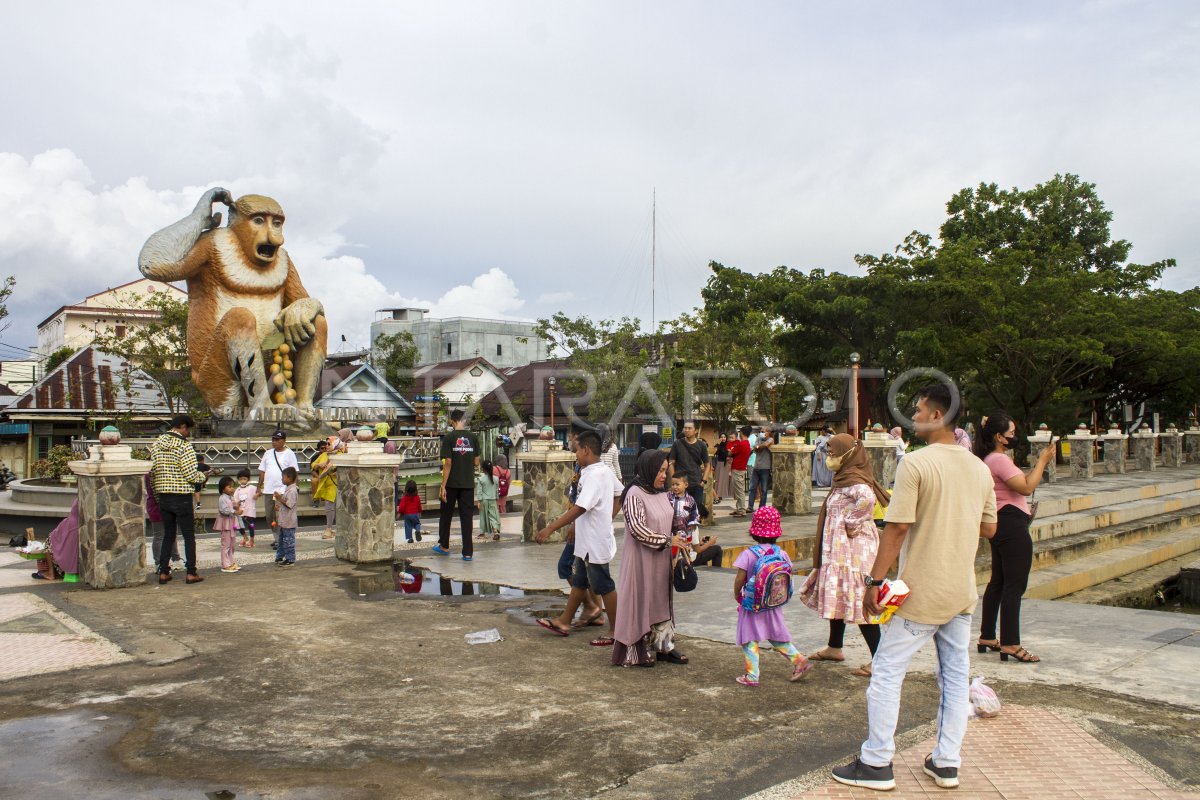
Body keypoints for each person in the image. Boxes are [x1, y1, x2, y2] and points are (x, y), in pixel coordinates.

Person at [832, 383, 997, 792]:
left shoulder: (917, 464)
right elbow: (990, 527)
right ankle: (946, 762)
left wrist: (874, 580)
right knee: (955, 678)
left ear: (938, 416)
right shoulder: (979, 468)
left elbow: (898, 527)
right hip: (960, 591)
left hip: (921, 592)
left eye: (920, 410)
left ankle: (876, 763)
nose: (914, 416)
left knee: (887, 671)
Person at [800, 434, 890, 677]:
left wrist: (850, 523)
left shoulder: (855, 480)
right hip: (841, 550)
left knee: (859, 598)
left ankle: (878, 659)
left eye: (833, 453)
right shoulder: (844, 478)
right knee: (839, 592)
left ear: (848, 455)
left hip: (854, 551)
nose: (829, 457)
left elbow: (868, 500)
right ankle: (834, 647)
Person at [973, 411, 1055, 664]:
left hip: (1000, 522)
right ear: (999, 436)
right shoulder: (998, 459)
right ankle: (1011, 643)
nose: (1014, 437)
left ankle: (988, 635)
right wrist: (1043, 460)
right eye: (1011, 433)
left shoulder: (987, 458)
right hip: (1011, 524)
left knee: (998, 581)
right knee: (1014, 585)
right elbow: (1027, 487)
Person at [534, 430, 621, 646]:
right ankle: (564, 621)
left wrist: (550, 528)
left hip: (594, 541)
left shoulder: (594, 474)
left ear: (586, 450)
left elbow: (579, 508)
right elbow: (620, 492)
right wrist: (608, 517)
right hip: (587, 541)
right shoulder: (603, 471)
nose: (575, 455)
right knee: (580, 581)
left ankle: (617, 629)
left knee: (604, 585)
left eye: (576, 450)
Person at [613, 449, 688, 666]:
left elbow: (670, 518)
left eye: (665, 470)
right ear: (649, 469)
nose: (665, 476)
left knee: (660, 600)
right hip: (640, 560)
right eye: (661, 471)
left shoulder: (661, 493)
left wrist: (682, 537)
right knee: (640, 601)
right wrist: (666, 541)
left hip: (661, 560)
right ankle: (636, 651)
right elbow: (637, 528)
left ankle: (664, 645)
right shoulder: (634, 493)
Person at [733, 506, 812, 686]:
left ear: (753, 531)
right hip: (773, 603)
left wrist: (737, 594)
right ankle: (799, 660)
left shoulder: (748, 554)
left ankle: (752, 675)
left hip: (752, 605)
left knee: (749, 638)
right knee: (777, 636)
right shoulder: (781, 553)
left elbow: (739, 579)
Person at [149, 414, 207, 585]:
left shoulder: (156, 444)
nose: (188, 433)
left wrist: (158, 495)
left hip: (163, 495)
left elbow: (152, 474)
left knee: (168, 535)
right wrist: (202, 476)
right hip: (181, 496)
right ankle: (191, 572)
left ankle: (164, 571)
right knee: (188, 535)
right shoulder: (184, 446)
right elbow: (190, 474)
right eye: (187, 429)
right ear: (182, 427)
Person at [432, 409, 480, 561]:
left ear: (452, 421)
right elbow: (477, 462)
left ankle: (444, 546)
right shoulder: (473, 437)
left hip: (452, 483)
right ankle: (467, 553)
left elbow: (448, 463)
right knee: (467, 518)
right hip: (467, 483)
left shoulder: (449, 437)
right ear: (464, 421)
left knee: (446, 515)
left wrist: (443, 486)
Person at [257, 430, 299, 548]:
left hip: (282, 491)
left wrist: (293, 489)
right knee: (269, 516)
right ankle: (277, 537)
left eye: (277, 440)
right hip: (269, 490)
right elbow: (262, 471)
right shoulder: (268, 453)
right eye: (273, 439)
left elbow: (294, 473)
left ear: (284, 441)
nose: (274, 442)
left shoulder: (290, 454)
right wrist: (258, 487)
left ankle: (279, 540)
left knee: (280, 516)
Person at [145, 471, 181, 569]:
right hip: (159, 507)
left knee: (168, 534)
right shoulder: (154, 475)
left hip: (160, 506)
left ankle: (173, 559)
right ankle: (159, 562)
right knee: (161, 535)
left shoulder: (154, 474)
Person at [312, 436, 341, 540]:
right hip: (325, 484)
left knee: (336, 508)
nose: (327, 446)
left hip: (337, 485)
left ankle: (333, 529)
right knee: (329, 507)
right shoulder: (323, 455)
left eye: (329, 444)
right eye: (327, 444)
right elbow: (313, 465)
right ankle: (329, 528)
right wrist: (319, 465)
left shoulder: (341, 455)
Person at [273, 466, 299, 567]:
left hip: (289, 521)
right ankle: (280, 556)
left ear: (289, 478)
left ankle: (290, 559)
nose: (282, 479)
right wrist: (279, 507)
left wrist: (280, 498)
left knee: (288, 541)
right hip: (284, 521)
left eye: (283, 477)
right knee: (282, 540)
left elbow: (289, 504)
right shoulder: (288, 490)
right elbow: (285, 505)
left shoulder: (292, 491)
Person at [215, 476, 241, 574]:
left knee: (232, 544)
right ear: (223, 488)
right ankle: (225, 564)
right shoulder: (222, 498)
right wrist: (234, 511)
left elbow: (234, 505)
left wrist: (237, 505)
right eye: (229, 487)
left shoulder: (230, 497)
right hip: (226, 523)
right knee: (226, 544)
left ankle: (230, 562)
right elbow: (224, 510)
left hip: (231, 523)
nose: (232, 489)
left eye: (233, 487)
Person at [748, 427, 775, 510]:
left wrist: (758, 446)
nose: (762, 433)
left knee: (764, 489)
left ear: (769, 432)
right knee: (752, 487)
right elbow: (756, 449)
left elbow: (764, 445)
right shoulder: (758, 438)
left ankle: (761, 507)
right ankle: (750, 506)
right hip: (756, 466)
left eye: (764, 431)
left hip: (765, 467)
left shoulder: (771, 439)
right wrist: (759, 446)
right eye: (761, 431)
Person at [727, 427, 752, 517]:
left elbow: (730, 453)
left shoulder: (741, 444)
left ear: (741, 433)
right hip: (740, 468)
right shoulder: (747, 443)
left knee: (739, 491)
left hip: (738, 469)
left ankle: (741, 510)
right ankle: (739, 509)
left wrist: (731, 451)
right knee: (738, 490)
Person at [475, 460, 501, 541]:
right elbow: (497, 490)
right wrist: (496, 499)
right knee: (493, 516)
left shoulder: (481, 479)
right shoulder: (496, 479)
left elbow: (479, 492)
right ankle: (495, 531)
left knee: (483, 516)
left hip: (484, 500)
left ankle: (482, 533)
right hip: (493, 499)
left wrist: (478, 501)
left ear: (483, 469)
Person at [234, 469, 258, 549]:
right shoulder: (238, 490)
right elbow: (235, 500)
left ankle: (252, 539)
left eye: (244, 479)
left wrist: (257, 495)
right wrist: (237, 505)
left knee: (250, 525)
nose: (242, 481)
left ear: (248, 479)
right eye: (240, 479)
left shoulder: (252, 487)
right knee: (240, 525)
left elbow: (259, 491)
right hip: (241, 511)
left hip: (250, 510)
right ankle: (245, 537)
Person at [309, 439, 327, 506]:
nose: (324, 449)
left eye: (326, 447)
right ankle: (315, 500)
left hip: (329, 477)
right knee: (314, 481)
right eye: (322, 448)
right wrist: (319, 477)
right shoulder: (315, 457)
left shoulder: (330, 455)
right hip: (318, 476)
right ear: (319, 449)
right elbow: (313, 471)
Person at [713, 432, 731, 502]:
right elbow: (715, 452)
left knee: (724, 480)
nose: (723, 438)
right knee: (718, 479)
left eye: (724, 437)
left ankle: (721, 494)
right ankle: (717, 494)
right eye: (722, 437)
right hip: (719, 463)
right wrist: (718, 443)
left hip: (726, 464)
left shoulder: (728, 444)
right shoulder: (718, 445)